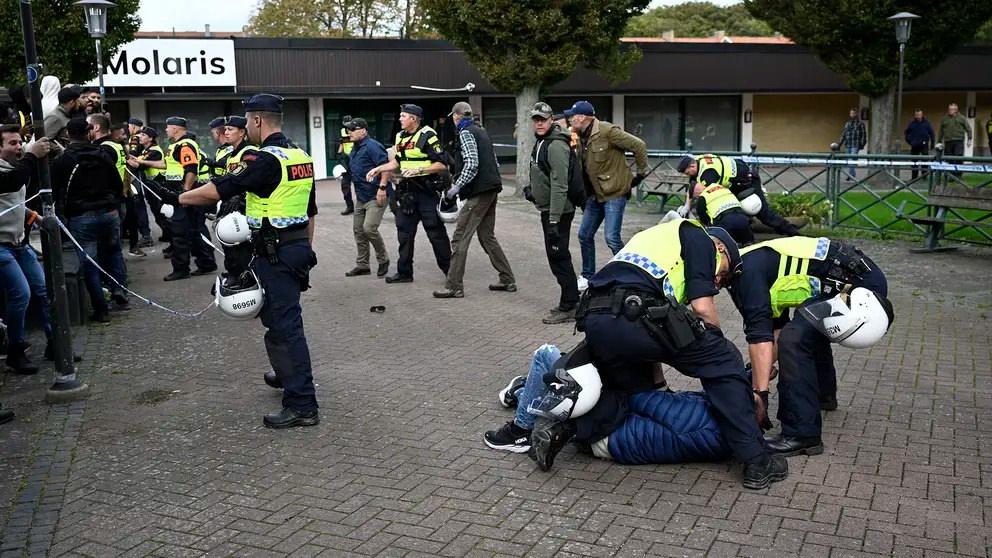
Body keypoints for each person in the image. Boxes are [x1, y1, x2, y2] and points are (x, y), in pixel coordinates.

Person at [532, 219, 788, 489]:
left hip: (596, 317)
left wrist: (660, 386)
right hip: (634, 313)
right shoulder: (699, 237)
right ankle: (757, 462)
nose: (718, 282)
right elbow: (702, 308)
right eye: (725, 276)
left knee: (627, 390)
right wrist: (715, 347)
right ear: (721, 249)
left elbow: (656, 337)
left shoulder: (652, 238)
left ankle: (564, 429)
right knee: (724, 359)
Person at [179, 93, 320, 429]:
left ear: (257, 120)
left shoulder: (266, 160)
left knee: (286, 328)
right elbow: (310, 211)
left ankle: (302, 404)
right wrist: (305, 251)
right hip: (293, 248)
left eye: (246, 121)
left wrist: (181, 197)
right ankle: (285, 375)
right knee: (277, 320)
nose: (244, 127)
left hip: (277, 253)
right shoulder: (299, 156)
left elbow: (219, 189)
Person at [728, 236, 892, 456]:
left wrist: (760, 395)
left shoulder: (745, 275)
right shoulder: (745, 264)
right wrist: (758, 372)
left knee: (794, 340)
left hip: (860, 287)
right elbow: (772, 332)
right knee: (805, 328)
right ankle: (823, 396)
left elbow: (761, 341)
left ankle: (802, 434)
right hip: (850, 279)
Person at [487, 344, 754, 465]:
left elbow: (644, 400)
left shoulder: (704, 419)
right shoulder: (725, 429)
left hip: (606, 436)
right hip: (614, 436)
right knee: (581, 380)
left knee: (550, 357)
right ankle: (524, 393)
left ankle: (521, 430)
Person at [434, 101, 515, 299]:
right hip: (491, 188)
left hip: (478, 192)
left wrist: (456, 187)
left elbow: (471, 163)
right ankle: (507, 278)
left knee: (460, 237)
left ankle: (454, 286)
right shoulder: (481, 131)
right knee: (487, 236)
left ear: (456, 116)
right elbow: (494, 161)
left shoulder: (466, 132)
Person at [51, 118, 127, 323]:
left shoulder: (63, 159)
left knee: (89, 263)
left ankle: (101, 309)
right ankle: (119, 289)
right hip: (108, 211)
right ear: (89, 133)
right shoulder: (103, 154)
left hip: (81, 216)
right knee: (114, 251)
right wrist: (114, 202)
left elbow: (55, 189)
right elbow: (116, 181)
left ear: (68, 135)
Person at [567, 100, 649, 290]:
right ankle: (587, 276)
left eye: (573, 116)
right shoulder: (577, 135)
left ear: (582, 117)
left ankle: (630, 275)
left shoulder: (607, 131)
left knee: (611, 237)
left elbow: (639, 146)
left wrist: (641, 173)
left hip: (614, 192)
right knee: (584, 234)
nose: (571, 119)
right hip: (594, 195)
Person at [367, 104, 451, 284]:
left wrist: (420, 170)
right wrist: (378, 169)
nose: (400, 119)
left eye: (403, 116)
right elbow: (397, 161)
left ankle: (450, 273)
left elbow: (443, 164)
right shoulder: (400, 136)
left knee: (436, 234)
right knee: (404, 234)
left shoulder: (428, 135)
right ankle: (404, 273)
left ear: (414, 118)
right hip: (406, 193)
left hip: (426, 191)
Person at [0, 125, 53, 373]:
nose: (19, 146)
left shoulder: (15, 169)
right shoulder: (9, 173)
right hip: (2, 247)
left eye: (20, 142)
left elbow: (14, 202)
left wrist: (34, 216)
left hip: (20, 243)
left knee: (43, 290)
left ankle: (55, 343)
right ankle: (15, 350)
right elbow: (11, 185)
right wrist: (32, 155)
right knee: (21, 294)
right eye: (12, 143)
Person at [526, 102, 579, 324]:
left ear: (551, 120)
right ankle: (569, 301)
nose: (539, 123)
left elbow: (560, 185)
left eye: (543, 119)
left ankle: (570, 306)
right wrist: (533, 190)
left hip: (558, 212)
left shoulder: (556, 145)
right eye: (536, 120)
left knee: (559, 257)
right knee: (555, 257)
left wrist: (555, 220)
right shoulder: (543, 141)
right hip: (549, 210)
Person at [677, 153, 800, 237]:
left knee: (762, 212)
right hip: (736, 181)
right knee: (736, 209)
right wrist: (686, 205)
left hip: (747, 181)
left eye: (687, 172)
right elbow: (692, 185)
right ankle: (744, 231)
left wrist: (695, 208)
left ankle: (792, 231)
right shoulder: (699, 160)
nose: (687, 175)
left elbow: (705, 194)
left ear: (692, 165)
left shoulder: (709, 173)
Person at [161, 116, 217, 281]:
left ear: (176, 128)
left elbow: (191, 169)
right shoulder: (177, 145)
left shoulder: (185, 144)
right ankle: (206, 263)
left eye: (168, 127)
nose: (166, 130)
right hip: (184, 193)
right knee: (194, 230)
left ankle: (181, 269)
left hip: (185, 193)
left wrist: (185, 192)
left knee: (179, 232)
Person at [212, 115, 258, 285]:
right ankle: (234, 272)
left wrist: (239, 197)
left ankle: (244, 275)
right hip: (229, 204)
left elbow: (249, 178)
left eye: (230, 129)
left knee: (240, 245)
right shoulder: (233, 153)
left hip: (242, 206)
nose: (226, 132)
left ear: (242, 132)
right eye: (225, 129)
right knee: (228, 243)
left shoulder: (249, 152)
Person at [342, 117, 391, 278]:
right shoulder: (355, 148)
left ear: (363, 130)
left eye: (352, 130)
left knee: (369, 228)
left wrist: (382, 188)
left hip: (375, 195)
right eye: (348, 129)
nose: (349, 132)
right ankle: (363, 265)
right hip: (362, 197)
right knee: (358, 230)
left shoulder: (373, 147)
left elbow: (386, 168)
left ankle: (383, 259)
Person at [127, 127, 168, 246]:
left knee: (160, 212)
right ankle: (167, 235)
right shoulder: (146, 150)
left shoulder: (154, 151)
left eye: (143, 135)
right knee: (157, 212)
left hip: (157, 185)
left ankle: (171, 236)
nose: (140, 137)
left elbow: (139, 165)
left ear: (151, 138)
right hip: (151, 185)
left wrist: (126, 158)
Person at [690, 182, 754, 246]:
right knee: (749, 246)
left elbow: (703, 218)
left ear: (696, 192)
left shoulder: (703, 197)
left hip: (725, 224)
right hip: (742, 219)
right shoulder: (722, 187)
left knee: (726, 249)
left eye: (695, 197)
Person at [939, 103, 972, 176]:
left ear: (956, 110)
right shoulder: (944, 118)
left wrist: (969, 140)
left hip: (958, 141)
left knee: (958, 158)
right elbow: (941, 131)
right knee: (948, 159)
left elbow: (968, 129)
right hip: (948, 141)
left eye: (951, 109)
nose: (950, 111)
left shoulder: (961, 118)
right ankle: (949, 175)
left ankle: (958, 175)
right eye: (949, 109)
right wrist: (939, 141)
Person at [904, 109, 934, 180]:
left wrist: (932, 143)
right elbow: (907, 133)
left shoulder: (926, 123)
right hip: (914, 145)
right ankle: (914, 177)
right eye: (917, 115)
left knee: (925, 161)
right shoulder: (912, 124)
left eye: (919, 115)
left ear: (922, 115)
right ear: (915, 115)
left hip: (924, 145)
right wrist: (910, 141)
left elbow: (932, 133)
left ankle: (924, 176)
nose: (918, 116)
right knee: (914, 162)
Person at [837, 108, 866, 180]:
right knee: (849, 160)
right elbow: (843, 134)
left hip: (855, 144)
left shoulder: (860, 124)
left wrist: (862, 145)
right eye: (850, 113)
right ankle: (851, 175)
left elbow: (863, 135)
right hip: (848, 144)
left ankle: (851, 176)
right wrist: (839, 144)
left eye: (853, 113)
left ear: (856, 114)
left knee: (852, 160)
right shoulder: (847, 124)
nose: (851, 114)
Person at [338, 115, 355, 216]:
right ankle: (349, 206)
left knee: (359, 184)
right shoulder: (342, 131)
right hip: (346, 159)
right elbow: (342, 144)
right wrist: (339, 155)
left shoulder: (356, 130)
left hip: (356, 157)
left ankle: (363, 207)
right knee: (345, 185)